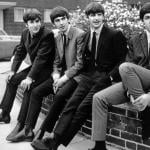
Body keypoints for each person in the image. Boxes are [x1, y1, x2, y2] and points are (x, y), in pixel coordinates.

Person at [32, 2, 128, 150]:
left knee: (83, 108)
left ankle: (55, 142)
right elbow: (85, 60)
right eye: (92, 15)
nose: (95, 18)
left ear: (103, 16)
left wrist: (110, 77)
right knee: (70, 104)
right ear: (88, 18)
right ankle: (53, 137)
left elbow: (122, 61)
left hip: (105, 78)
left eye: (98, 15)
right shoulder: (87, 35)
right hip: (88, 77)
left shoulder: (115, 34)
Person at [7, 6, 84, 142]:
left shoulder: (80, 34)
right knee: (34, 91)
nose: (61, 23)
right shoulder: (58, 37)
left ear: (68, 19)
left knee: (39, 91)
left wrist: (63, 78)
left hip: (74, 77)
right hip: (58, 75)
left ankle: (40, 132)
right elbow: (57, 61)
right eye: (57, 21)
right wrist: (56, 75)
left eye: (63, 19)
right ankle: (27, 129)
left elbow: (79, 64)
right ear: (53, 23)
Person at [91, 2, 150, 150]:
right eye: (148, 17)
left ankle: (146, 114)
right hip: (135, 82)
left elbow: (126, 68)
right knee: (98, 98)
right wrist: (131, 90)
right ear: (142, 21)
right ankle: (99, 146)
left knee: (124, 67)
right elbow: (129, 64)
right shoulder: (136, 39)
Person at [0, 9, 55, 140]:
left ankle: (23, 127)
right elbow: (20, 52)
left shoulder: (47, 34)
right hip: (35, 67)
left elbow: (41, 59)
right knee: (12, 79)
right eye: (32, 22)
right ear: (26, 24)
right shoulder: (25, 33)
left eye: (37, 21)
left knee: (28, 88)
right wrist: (13, 70)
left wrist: (29, 78)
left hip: (46, 70)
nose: (35, 25)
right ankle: (5, 113)